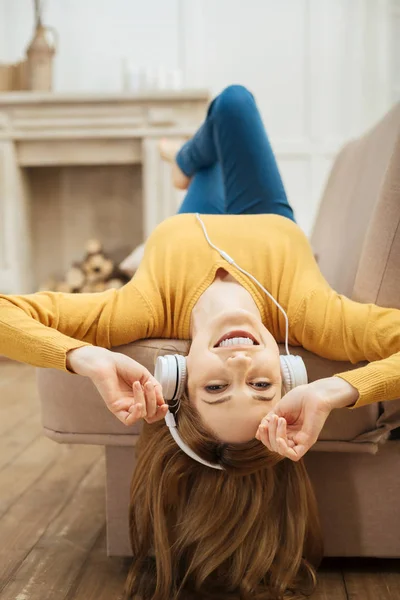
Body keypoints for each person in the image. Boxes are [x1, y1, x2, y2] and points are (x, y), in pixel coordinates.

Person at [1, 85, 399, 599]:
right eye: (261, 384)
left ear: (179, 376)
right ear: (289, 374)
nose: (240, 359)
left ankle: (188, 164)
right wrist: (335, 391)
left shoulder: (142, 308)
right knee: (233, 103)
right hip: (265, 216)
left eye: (215, 388)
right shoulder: (308, 314)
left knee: (222, 129)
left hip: (189, 225)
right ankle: (188, 160)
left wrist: (85, 356)